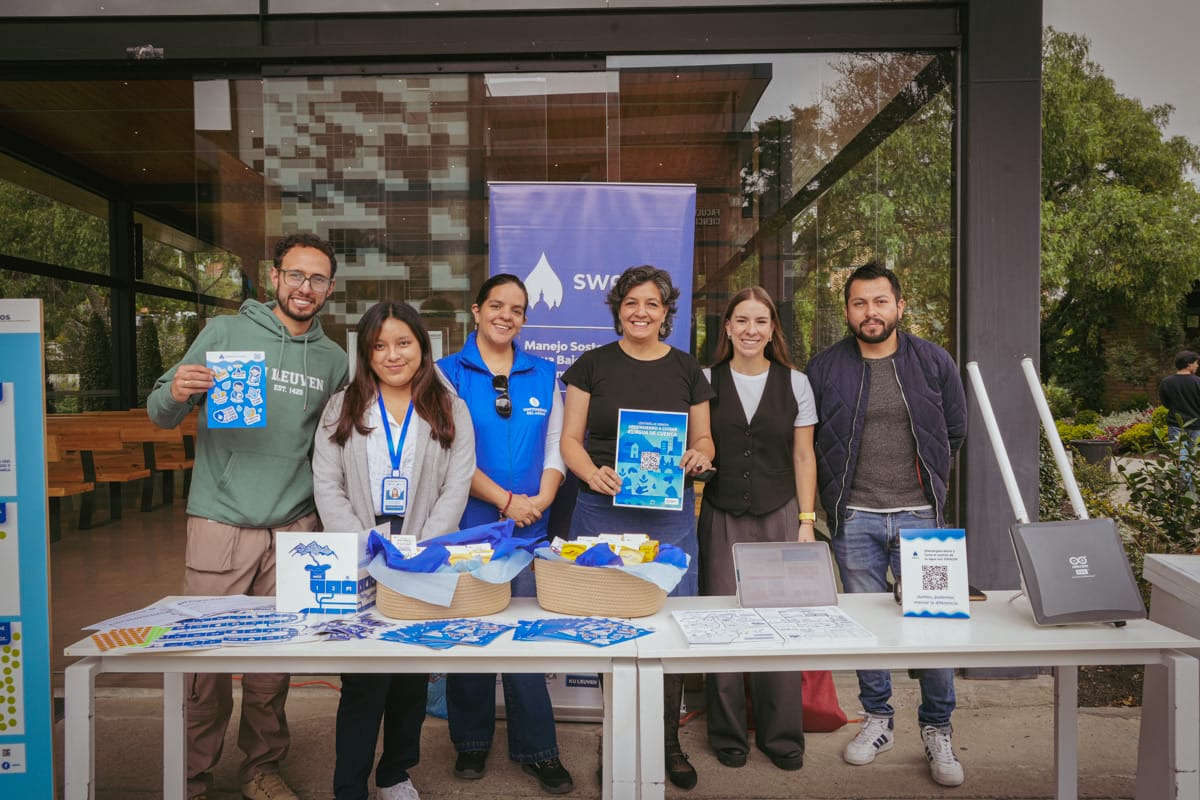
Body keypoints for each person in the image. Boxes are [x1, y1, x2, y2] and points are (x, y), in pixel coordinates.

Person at [147, 231, 348, 800]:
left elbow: (331, 447)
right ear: (275, 277)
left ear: (329, 289)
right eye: (296, 275)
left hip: (295, 529)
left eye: (317, 279)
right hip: (222, 522)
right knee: (204, 663)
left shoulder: (334, 360)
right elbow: (161, 412)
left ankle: (261, 768)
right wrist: (177, 390)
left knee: (273, 665)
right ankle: (191, 776)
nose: (305, 287)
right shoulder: (226, 331)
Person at [806, 261, 967, 788]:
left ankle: (938, 727)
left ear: (900, 306)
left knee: (935, 626)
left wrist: (928, 492)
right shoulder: (825, 367)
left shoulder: (933, 362)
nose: (869, 312)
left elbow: (954, 433)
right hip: (855, 519)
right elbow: (810, 442)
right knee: (867, 629)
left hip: (922, 518)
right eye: (859, 303)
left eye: (879, 302)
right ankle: (877, 719)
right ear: (847, 311)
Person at [560, 264, 715, 791]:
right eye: (631, 303)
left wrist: (697, 456)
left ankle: (668, 742)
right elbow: (570, 441)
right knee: (611, 631)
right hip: (602, 511)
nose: (641, 312)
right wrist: (591, 472)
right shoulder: (591, 366)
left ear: (666, 311)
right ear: (617, 309)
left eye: (652, 304)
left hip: (668, 515)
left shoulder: (687, 369)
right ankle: (617, 738)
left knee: (666, 631)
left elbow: (707, 441)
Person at [312, 300, 475, 800]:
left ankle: (395, 772)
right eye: (379, 346)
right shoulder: (342, 406)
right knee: (364, 682)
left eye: (403, 342)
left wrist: (424, 546)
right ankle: (350, 785)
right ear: (366, 353)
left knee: (410, 676)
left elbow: (458, 481)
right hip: (363, 554)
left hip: (423, 555)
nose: (392, 354)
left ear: (423, 348)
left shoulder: (449, 406)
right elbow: (327, 483)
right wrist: (366, 543)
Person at [437, 274, 574, 794]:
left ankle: (539, 749)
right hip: (470, 524)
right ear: (476, 310)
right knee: (471, 638)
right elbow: (448, 449)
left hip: (532, 527)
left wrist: (540, 498)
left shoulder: (543, 372)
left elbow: (558, 442)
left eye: (517, 309)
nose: (506, 315)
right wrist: (505, 501)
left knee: (525, 641)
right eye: (496, 305)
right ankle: (470, 743)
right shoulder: (446, 374)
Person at [698, 286, 818, 772]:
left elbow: (803, 456)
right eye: (741, 320)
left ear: (773, 330)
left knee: (779, 625)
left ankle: (781, 735)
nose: (751, 330)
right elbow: (700, 448)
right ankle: (727, 733)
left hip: (780, 513)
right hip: (722, 514)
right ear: (727, 327)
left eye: (761, 321)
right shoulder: (705, 381)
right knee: (723, 623)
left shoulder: (796, 383)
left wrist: (806, 523)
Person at [1158, 350, 1200, 474]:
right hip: (1196, 426)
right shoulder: (1198, 382)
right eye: (1196, 363)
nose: (1197, 365)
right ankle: (1189, 491)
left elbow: (1165, 402)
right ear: (1189, 364)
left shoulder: (1166, 382)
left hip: (1176, 425)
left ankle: (1184, 491)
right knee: (1191, 460)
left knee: (1180, 460)